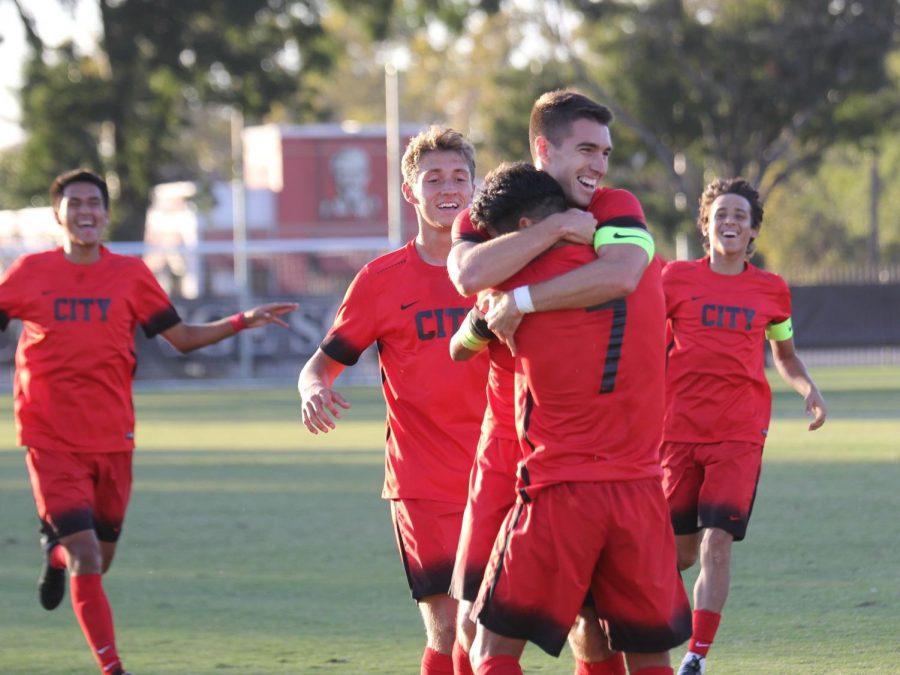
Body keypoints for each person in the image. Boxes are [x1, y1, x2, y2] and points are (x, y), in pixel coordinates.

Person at [0, 169, 297, 675]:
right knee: (89, 556)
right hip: (49, 438)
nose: (85, 211)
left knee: (96, 559)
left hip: (114, 437)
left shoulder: (131, 275)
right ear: (58, 213)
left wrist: (242, 321)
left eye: (94, 202)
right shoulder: (29, 273)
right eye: (74, 203)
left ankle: (55, 557)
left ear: (107, 213)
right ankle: (112, 667)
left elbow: (180, 338)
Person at [447, 89, 658, 675]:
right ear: (544, 147)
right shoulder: (489, 208)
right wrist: (558, 226)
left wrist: (520, 298)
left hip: (584, 448)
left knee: (595, 625)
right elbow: (468, 274)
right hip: (507, 442)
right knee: (472, 615)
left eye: (606, 152)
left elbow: (622, 273)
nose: (599, 165)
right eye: (586, 149)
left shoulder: (617, 205)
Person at [298, 126, 489, 675]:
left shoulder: (500, 268)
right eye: (434, 179)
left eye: (459, 177)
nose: (448, 188)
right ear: (411, 191)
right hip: (422, 482)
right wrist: (314, 388)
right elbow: (322, 364)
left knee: (489, 627)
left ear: (473, 187)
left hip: (500, 473)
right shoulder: (381, 281)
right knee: (450, 625)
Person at [661, 178, 827, 675]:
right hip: (676, 431)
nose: (729, 222)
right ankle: (641, 626)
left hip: (739, 433)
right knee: (678, 553)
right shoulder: (673, 280)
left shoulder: (772, 291)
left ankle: (696, 655)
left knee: (717, 541)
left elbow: (787, 356)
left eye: (739, 215)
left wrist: (808, 390)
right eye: (720, 214)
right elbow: (645, 345)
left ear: (753, 230)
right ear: (705, 224)